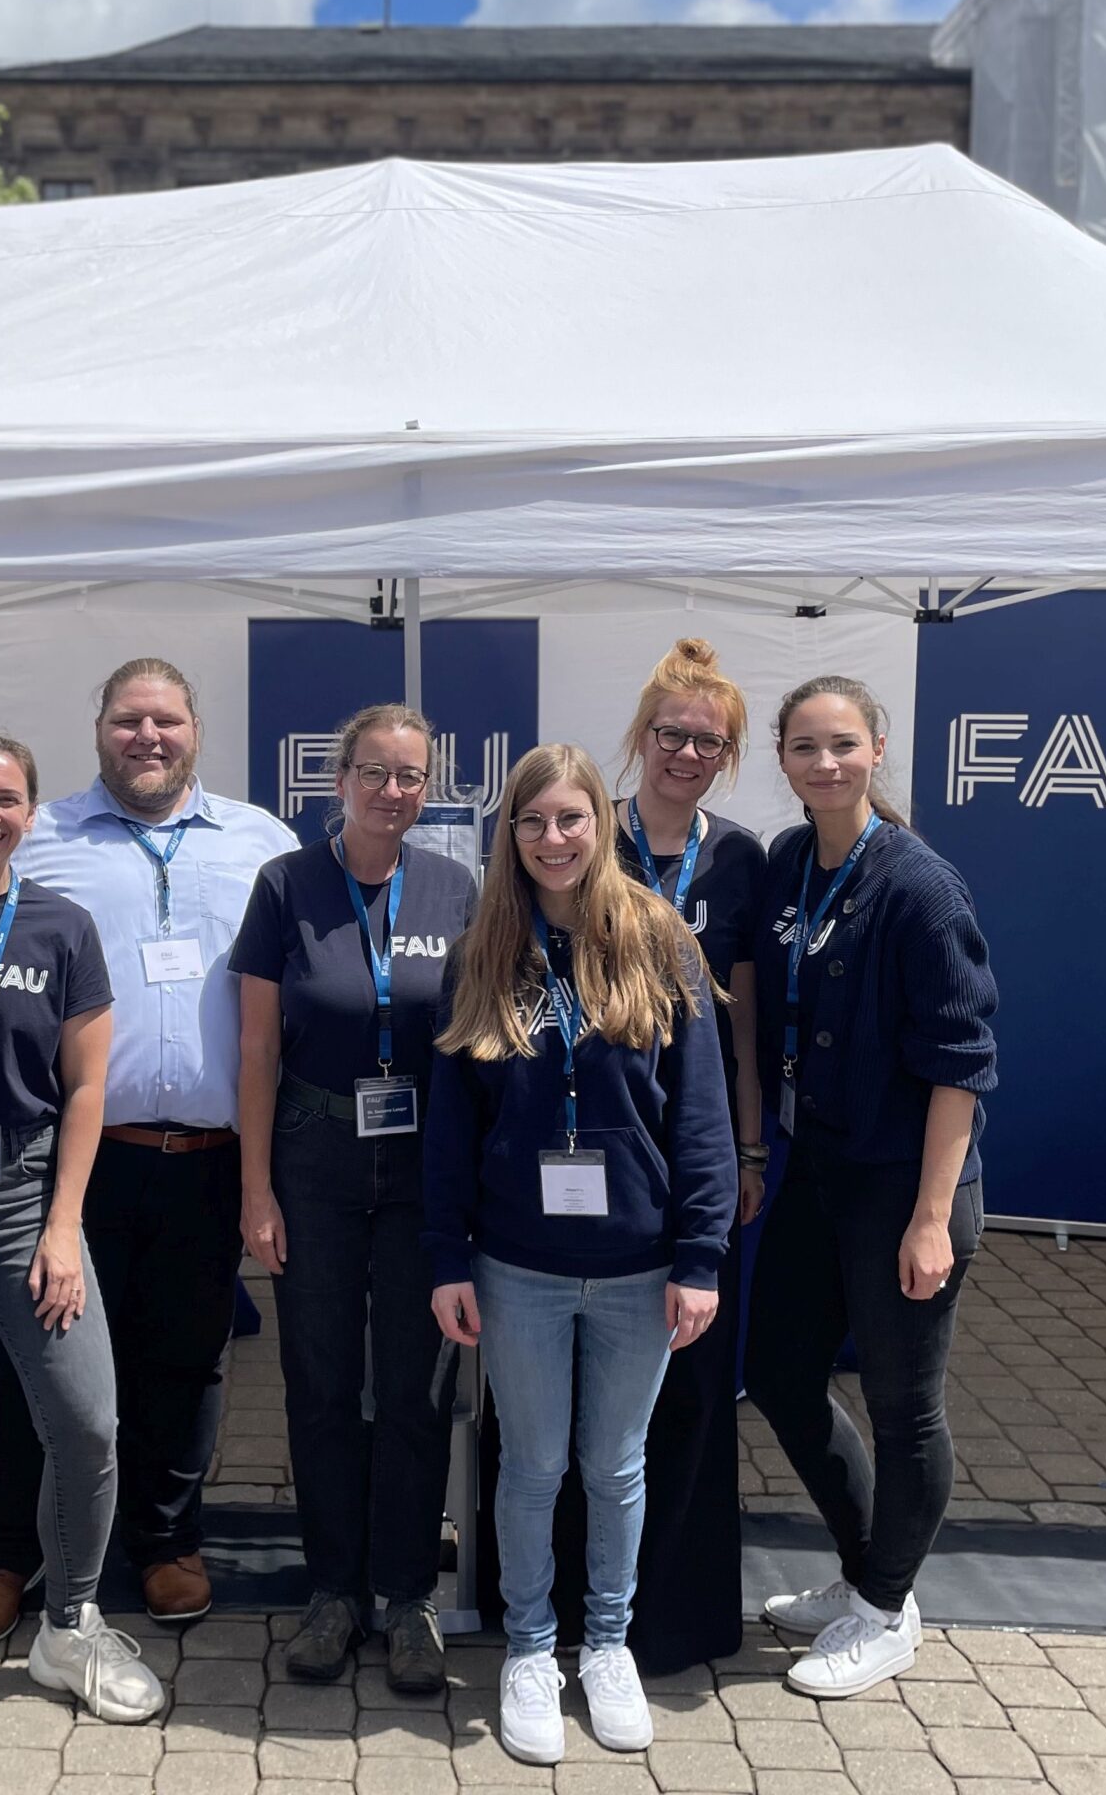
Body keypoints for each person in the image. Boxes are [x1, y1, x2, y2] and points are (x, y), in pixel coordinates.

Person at [0, 657, 297, 1641]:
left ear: (196, 730)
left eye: (166, 721)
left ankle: (164, 1544)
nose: (147, 738)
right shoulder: (42, 838)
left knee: (183, 1363)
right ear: (98, 728)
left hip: (207, 1154)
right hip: (70, 1161)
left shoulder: (260, 844)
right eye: (127, 721)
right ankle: (2, 1556)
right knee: (32, 1355)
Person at [423, 743, 737, 1768]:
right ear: (507, 837)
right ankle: (527, 1648)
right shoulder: (483, 952)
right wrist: (447, 1260)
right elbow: (448, 1132)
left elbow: (700, 1116)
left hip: (642, 1267)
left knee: (614, 1465)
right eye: (531, 822)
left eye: (570, 819)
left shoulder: (658, 942)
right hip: (516, 1266)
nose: (552, 839)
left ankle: (605, 1644)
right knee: (533, 1465)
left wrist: (699, 1255)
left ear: (599, 826)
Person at [0, 732, 166, 1722]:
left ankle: (70, 1626)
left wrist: (62, 1228)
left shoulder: (60, 927)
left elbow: (86, 1089)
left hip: (21, 1191)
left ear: (29, 813)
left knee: (87, 1417)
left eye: (8, 798)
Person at [744, 675, 997, 1699]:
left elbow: (960, 1064)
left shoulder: (920, 887)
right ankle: (865, 1572)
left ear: (877, 749)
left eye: (842, 744)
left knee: (905, 1408)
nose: (824, 764)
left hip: (905, 1184)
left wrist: (931, 1218)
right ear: (783, 759)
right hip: (820, 1168)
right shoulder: (788, 861)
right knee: (777, 1372)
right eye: (805, 747)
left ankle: (885, 1609)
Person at [233, 704, 478, 1691]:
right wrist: (256, 1189)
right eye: (373, 773)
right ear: (337, 782)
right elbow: (255, 1049)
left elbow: (474, 1048)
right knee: (324, 1385)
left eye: (410, 776)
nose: (391, 792)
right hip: (315, 1157)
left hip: (422, 1164)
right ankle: (333, 1590)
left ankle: (409, 1593)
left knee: (417, 1391)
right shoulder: (285, 885)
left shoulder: (458, 888)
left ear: (428, 788)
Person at [611, 638, 765, 1671]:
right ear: (640, 736)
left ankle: (678, 1613)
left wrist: (749, 1149)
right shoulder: (586, 838)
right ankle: (570, 1603)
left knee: (696, 1382)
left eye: (708, 742)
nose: (686, 754)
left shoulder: (741, 859)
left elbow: (744, 1023)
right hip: (598, 1155)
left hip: (702, 1152)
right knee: (590, 1387)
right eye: (671, 734)